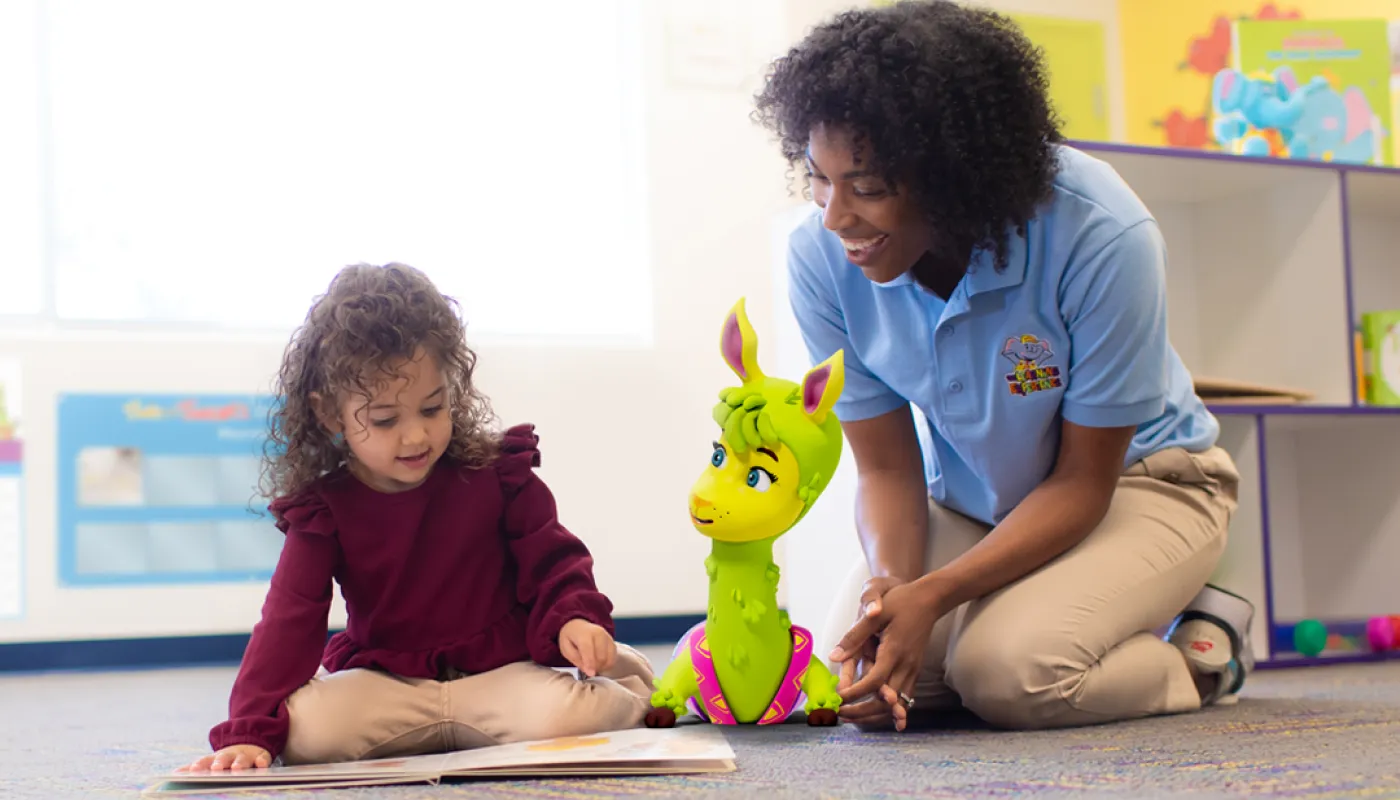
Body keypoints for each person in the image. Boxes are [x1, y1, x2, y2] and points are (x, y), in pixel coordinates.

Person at [752, 0, 1255, 733]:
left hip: (1143, 484)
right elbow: (887, 468)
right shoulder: (819, 256)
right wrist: (893, 588)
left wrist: (939, 594)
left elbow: (1083, 482)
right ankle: (1028, 627)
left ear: (952, 174)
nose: (835, 217)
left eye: (868, 187)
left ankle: (1203, 657)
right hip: (978, 506)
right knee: (862, 687)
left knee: (1008, 676)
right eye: (817, 178)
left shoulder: (1103, 232)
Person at [184, 263, 653, 771]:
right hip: (392, 684)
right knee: (306, 734)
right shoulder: (324, 511)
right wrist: (250, 729)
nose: (415, 436)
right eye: (385, 420)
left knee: (576, 716)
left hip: (500, 675)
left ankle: (628, 673)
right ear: (329, 415)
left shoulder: (499, 475)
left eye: (432, 408)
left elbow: (554, 560)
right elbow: (288, 618)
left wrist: (575, 617)